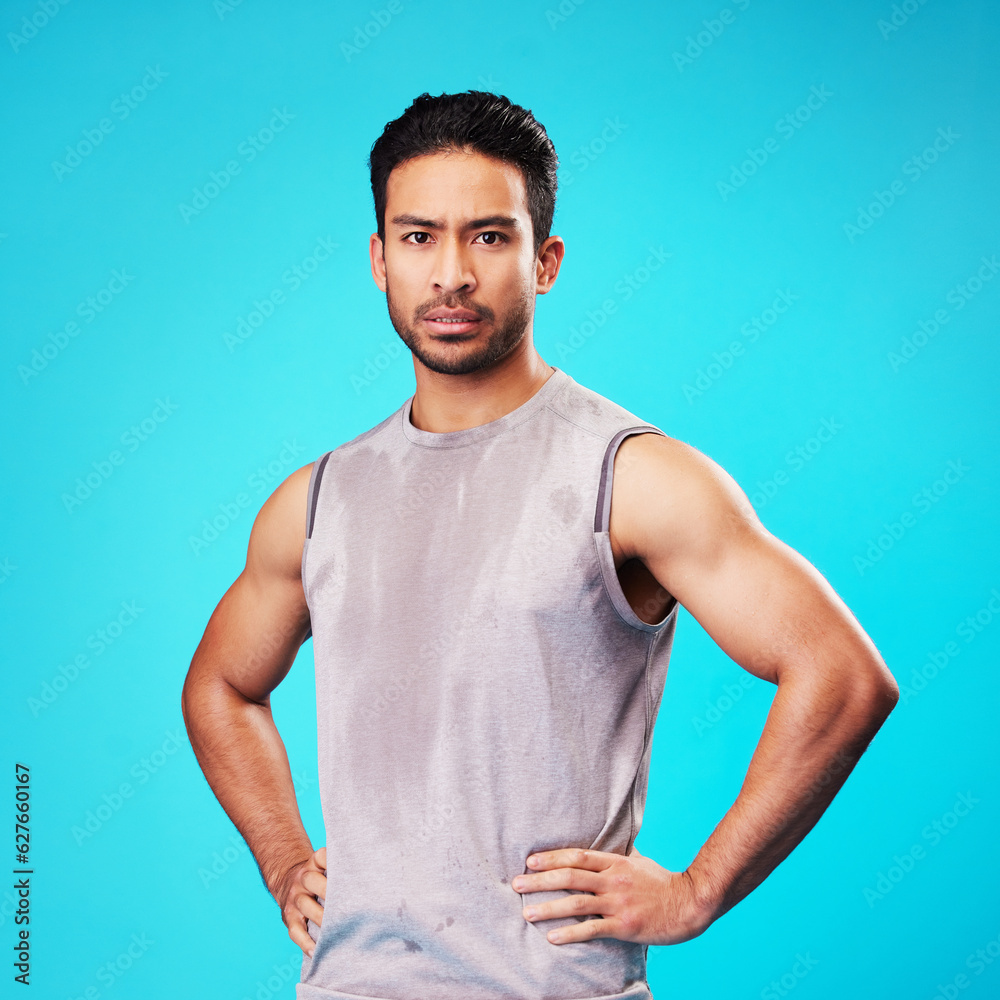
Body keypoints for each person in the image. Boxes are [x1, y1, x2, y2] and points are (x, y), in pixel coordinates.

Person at [182, 91, 899, 1000]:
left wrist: (698, 892)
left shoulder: (633, 476)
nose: (450, 274)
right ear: (378, 260)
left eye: (488, 237)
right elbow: (221, 685)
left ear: (545, 260)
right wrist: (286, 858)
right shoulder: (318, 499)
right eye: (417, 238)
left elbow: (843, 675)